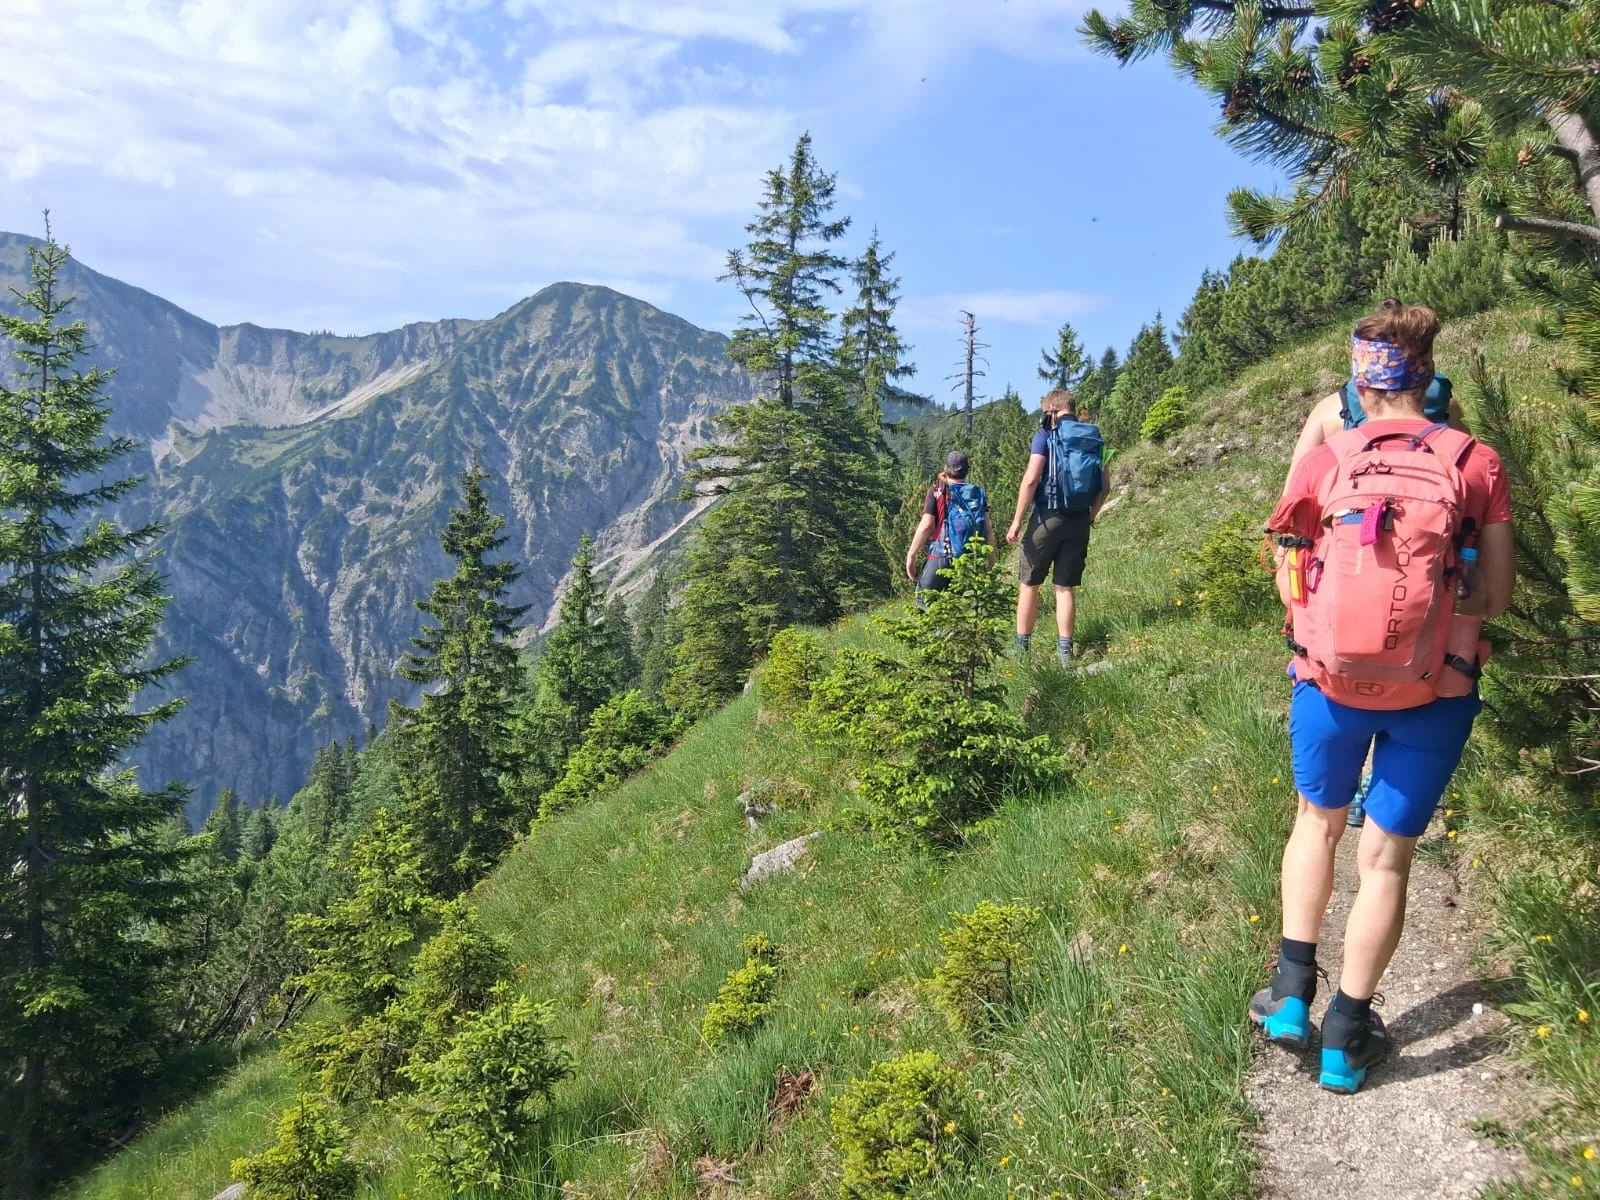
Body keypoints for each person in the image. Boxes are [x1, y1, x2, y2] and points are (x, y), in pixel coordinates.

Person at [1252, 300, 1515, 1094]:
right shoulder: (1477, 460)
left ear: (1359, 385)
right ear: (1429, 377)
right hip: (1437, 689)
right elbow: (1495, 597)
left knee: (1316, 823)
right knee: (1386, 860)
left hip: (1329, 684)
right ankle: (1345, 1035)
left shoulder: (1327, 458)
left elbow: (1287, 578)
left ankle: (1292, 994)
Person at [1288, 299, 1465, 471]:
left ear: (1360, 383)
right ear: (1429, 376)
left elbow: (1293, 492)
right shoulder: (1447, 408)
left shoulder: (1328, 413)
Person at [1005, 389, 1109, 664]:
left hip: (1046, 518)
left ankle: (1021, 647)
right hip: (1079, 520)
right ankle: (1065, 652)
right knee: (1064, 587)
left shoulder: (1045, 437)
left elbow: (1031, 479)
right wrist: (1090, 516)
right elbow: (1105, 487)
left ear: (1051, 408)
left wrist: (1016, 520)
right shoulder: (1094, 438)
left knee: (1029, 583)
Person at [905, 450, 990, 597]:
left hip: (940, 556)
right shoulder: (977, 493)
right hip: (970, 560)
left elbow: (927, 526)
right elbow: (988, 529)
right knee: (964, 609)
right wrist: (991, 559)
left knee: (924, 603)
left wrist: (911, 555)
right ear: (967, 471)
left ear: (946, 469)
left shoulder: (938, 491)